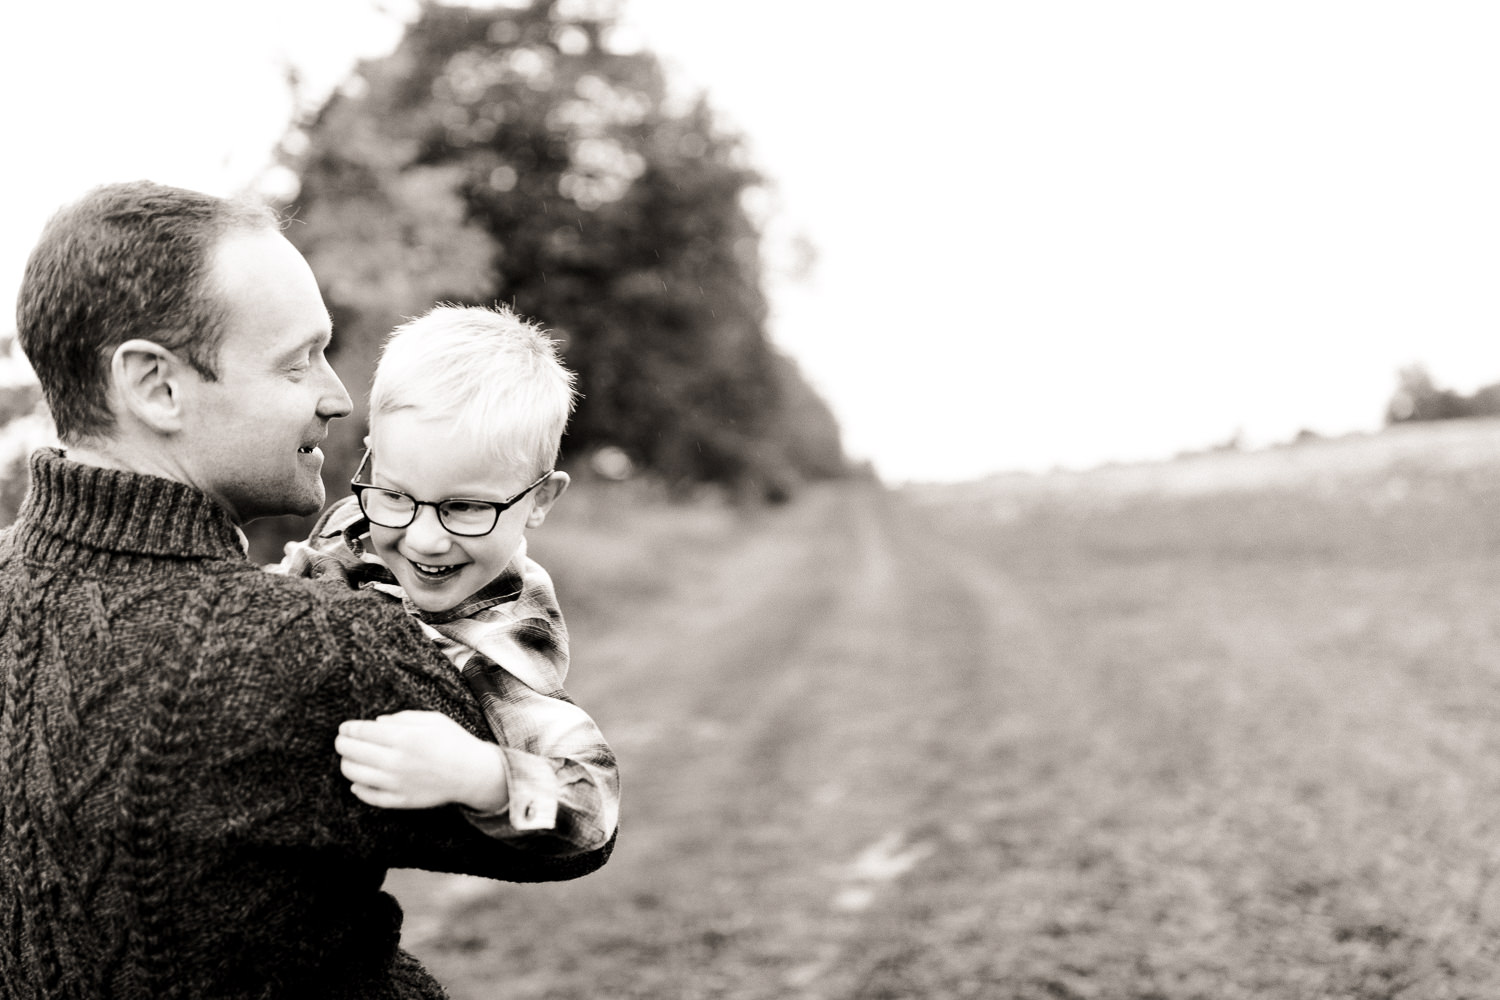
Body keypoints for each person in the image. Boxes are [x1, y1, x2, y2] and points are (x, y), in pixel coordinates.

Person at [0, 181, 612, 1000]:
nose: (338, 396)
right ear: (156, 385)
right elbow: (578, 825)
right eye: (298, 361)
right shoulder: (314, 649)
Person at [278, 304, 619, 857]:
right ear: (374, 459)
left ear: (539, 501)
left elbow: (592, 802)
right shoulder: (359, 520)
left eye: (463, 508)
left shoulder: (496, 643)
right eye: (395, 494)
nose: (424, 538)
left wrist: (481, 776)